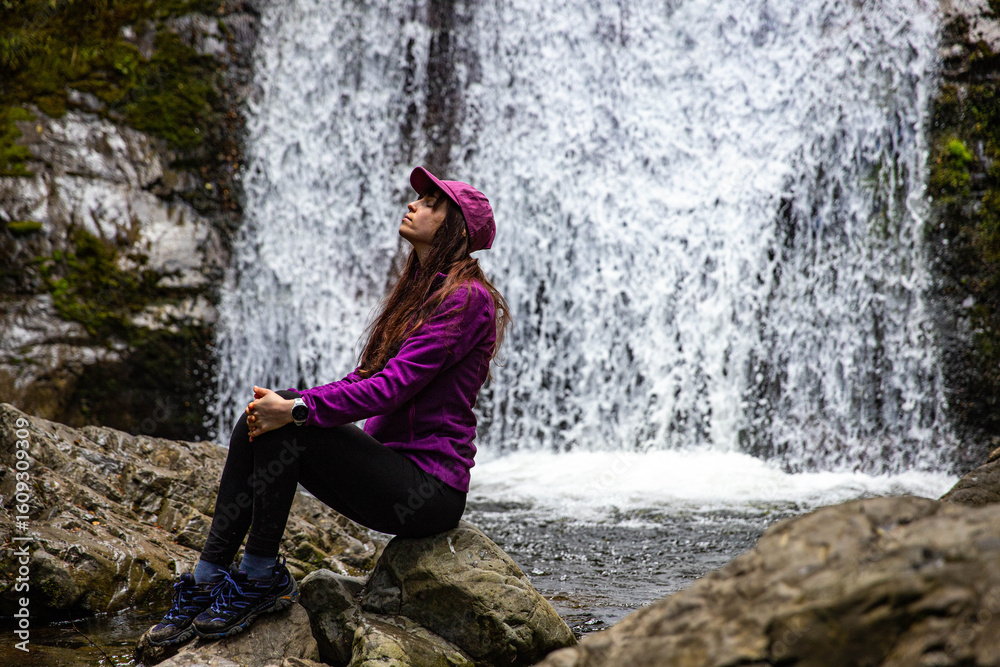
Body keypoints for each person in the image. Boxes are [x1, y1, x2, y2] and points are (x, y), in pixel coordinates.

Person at [146, 166, 510, 646]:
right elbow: (364, 378)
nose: (413, 204)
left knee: (286, 420)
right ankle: (207, 579)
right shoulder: (420, 291)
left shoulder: (467, 299)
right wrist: (289, 404)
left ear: (457, 228)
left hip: (429, 492)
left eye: (430, 203)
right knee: (259, 418)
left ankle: (259, 577)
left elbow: (391, 389)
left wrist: (298, 410)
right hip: (389, 475)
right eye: (418, 198)